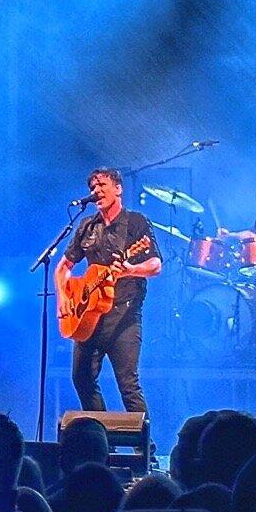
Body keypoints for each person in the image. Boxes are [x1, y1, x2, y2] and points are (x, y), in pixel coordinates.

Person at [61, 168, 162, 414]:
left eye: (102, 185)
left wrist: (130, 270)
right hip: (89, 317)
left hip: (124, 316)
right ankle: (102, 439)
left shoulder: (136, 222)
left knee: (128, 384)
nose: (96, 191)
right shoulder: (86, 226)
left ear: (118, 188)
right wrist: (64, 298)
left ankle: (145, 448)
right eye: (93, 188)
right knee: (82, 379)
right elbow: (63, 266)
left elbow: (155, 264)